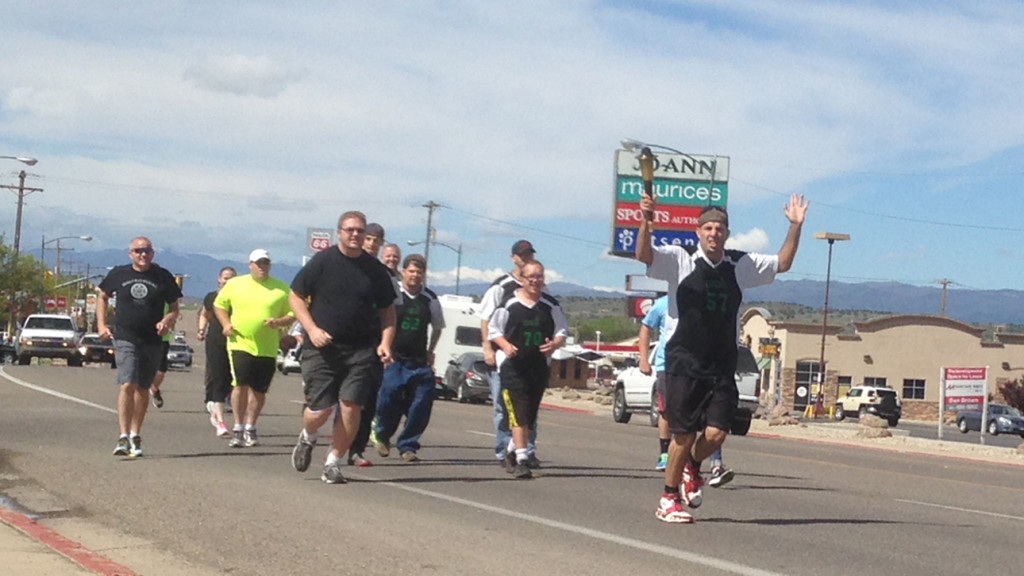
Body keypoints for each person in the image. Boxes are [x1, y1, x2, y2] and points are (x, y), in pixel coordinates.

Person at [636, 194, 808, 523]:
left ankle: (691, 468)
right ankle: (668, 498)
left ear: (727, 234)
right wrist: (646, 219)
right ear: (698, 232)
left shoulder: (738, 265)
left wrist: (795, 226)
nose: (714, 233)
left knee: (716, 434)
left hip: (721, 363)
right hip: (684, 362)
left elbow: (782, 263)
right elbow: (644, 255)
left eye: (720, 228)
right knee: (683, 435)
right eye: (708, 228)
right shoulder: (679, 258)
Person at [289, 211, 397, 485]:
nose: (355, 235)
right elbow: (296, 296)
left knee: (351, 407)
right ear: (339, 232)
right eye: (350, 230)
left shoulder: (376, 271)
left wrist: (385, 342)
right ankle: (308, 436)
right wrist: (312, 329)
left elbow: (388, 311)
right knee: (320, 410)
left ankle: (333, 462)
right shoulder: (323, 261)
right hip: (323, 347)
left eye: (360, 231)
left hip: (362, 350)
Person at [97, 237, 182, 458]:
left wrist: (167, 321)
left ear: (152, 254)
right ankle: (123, 436)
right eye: (137, 251)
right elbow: (103, 296)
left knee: (143, 388)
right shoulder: (119, 273)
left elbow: (174, 307)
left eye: (146, 251)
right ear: (130, 254)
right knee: (128, 383)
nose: (142, 255)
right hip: (125, 336)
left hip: (152, 339)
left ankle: (135, 434)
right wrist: (101, 324)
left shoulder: (162, 276)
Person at [639, 294, 734, 484]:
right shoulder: (663, 303)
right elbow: (646, 327)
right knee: (668, 413)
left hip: (703, 367)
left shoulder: (707, 298)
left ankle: (713, 464)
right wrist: (643, 358)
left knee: (712, 421)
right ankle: (666, 454)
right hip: (669, 366)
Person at [488, 260, 567, 479]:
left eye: (539, 276)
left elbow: (562, 331)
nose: (535, 281)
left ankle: (512, 450)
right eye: (531, 277)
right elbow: (493, 330)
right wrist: (505, 345)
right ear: (522, 279)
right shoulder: (509, 303)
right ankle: (522, 459)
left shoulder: (550, 305)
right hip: (513, 367)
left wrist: (555, 344)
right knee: (518, 413)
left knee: (529, 416)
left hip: (538, 366)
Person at [213, 250, 293, 448]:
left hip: (267, 346)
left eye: (265, 263)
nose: (261, 267)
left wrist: (279, 322)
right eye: (258, 263)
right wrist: (225, 324)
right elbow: (219, 305)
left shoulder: (281, 289)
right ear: (250, 264)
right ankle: (238, 427)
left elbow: (293, 313)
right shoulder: (236, 284)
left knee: (259, 390)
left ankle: (251, 426)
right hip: (240, 342)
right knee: (240, 384)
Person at [371, 254, 444, 462]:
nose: (415, 275)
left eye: (419, 272)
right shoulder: (393, 295)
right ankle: (383, 435)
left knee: (421, 403)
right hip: (394, 359)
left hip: (419, 361)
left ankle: (408, 445)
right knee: (388, 398)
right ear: (403, 272)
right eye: (411, 271)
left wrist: (431, 350)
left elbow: (438, 327)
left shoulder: (430, 299)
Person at [478, 240, 541, 468]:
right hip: (503, 357)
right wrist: (488, 348)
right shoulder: (501, 287)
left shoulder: (538, 287)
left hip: (529, 360)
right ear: (513, 257)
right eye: (522, 254)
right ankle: (504, 450)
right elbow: (485, 319)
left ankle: (526, 450)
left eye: (530, 254)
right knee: (503, 406)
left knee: (528, 408)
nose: (526, 257)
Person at [345, 222, 394, 467]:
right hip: (344, 341)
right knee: (341, 398)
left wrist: (387, 343)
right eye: (369, 238)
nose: (372, 243)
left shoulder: (384, 275)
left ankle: (356, 449)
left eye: (376, 239)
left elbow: (392, 312)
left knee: (366, 400)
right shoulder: (347, 265)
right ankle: (331, 438)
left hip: (372, 344)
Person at [197, 266, 237, 437]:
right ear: (219, 279)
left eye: (232, 278)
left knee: (233, 379)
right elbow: (205, 314)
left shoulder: (239, 298)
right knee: (218, 376)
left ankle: (221, 405)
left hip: (237, 341)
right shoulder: (211, 297)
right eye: (226, 277)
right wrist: (201, 330)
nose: (229, 281)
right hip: (216, 341)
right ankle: (219, 419)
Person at [149, 303, 175, 409]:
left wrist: (170, 323)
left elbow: (173, 312)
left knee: (161, 370)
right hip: (145, 337)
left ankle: (154, 388)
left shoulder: (168, 298)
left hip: (162, 338)